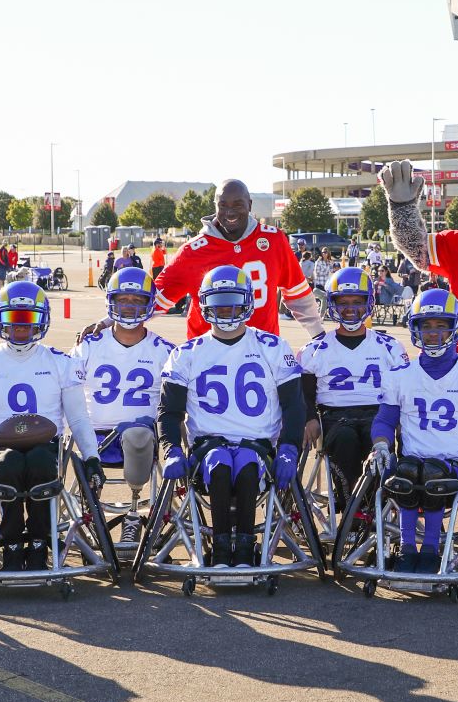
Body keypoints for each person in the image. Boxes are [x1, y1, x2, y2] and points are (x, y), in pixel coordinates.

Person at [0, 282, 102, 571]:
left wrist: (92, 458)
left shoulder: (60, 363)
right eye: (12, 318)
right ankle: (11, 538)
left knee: (41, 461)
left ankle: (40, 539)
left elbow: (78, 419)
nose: (19, 326)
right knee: (8, 464)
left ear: (42, 319)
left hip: (46, 444)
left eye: (28, 318)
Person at [157, 266, 304, 567]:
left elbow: (294, 405)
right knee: (220, 464)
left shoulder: (273, 347)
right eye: (218, 302)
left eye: (232, 302)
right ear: (204, 304)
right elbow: (169, 412)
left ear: (248, 302)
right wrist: (171, 449)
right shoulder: (186, 353)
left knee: (248, 465)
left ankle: (246, 547)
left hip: (259, 444)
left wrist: (289, 447)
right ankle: (222, 548)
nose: (225, 309)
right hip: (208, 446)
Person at [368, 289, 458, 573]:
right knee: (407, 473)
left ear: (454, 327)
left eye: (441, 325)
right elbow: (384, 420)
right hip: (411, 462)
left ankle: (430, 549)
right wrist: (381, 444)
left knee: (432, 475)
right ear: (415, 328)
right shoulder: (400, 376)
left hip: (457, 465)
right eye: (426, 325)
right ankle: (408, 548)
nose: (433, 333)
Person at [92, 180, 322, 340]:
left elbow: (297, 294)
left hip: (263, 351)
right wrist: (107, 323)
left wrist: (318, 333)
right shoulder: (193, 251)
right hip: (208, 353)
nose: (230, 212)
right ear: (215, 206)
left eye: (238, 204)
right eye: (223, 205)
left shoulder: (273, 240)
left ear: (250, 205)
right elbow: (153, 299)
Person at [71, 268, 174, 543]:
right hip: (94, 437)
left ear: (149, 303)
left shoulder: (164, 350)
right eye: (123, 299)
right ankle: (88, 515)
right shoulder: (89, 345)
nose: (129, 307)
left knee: (138, 433)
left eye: (137, 300)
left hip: (140, 438)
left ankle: (133, 515)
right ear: (110, 302)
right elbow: (66, 390)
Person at [298, 268, 409, 509]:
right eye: (343, 301)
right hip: (335, 416)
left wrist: (402, 422)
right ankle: (352, 509)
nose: (350, 308)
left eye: (358, 301)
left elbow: (404, 390)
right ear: (332, 303)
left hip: (379, 414)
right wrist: (309, 418)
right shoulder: (315, 349)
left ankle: (373, 508)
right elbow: (305, 393)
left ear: (369, 302)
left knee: (377, 441)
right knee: (345, 440)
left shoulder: (389, 346)